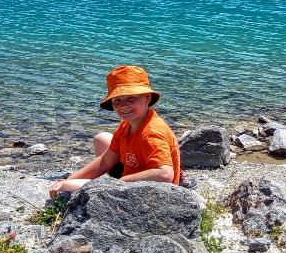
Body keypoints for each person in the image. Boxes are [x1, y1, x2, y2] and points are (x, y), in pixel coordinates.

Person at [48, 65, 189, 198]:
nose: (124, 105)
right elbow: (104, 162)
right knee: (102, 139)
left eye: (131, 98)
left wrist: (119, 183)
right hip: (133, 174)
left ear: (147, 98)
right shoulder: (126, 125)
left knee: (66, 187)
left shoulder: (151, 133)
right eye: (117, 100)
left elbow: (164, 174)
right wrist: (71, 177)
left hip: (154, 192)